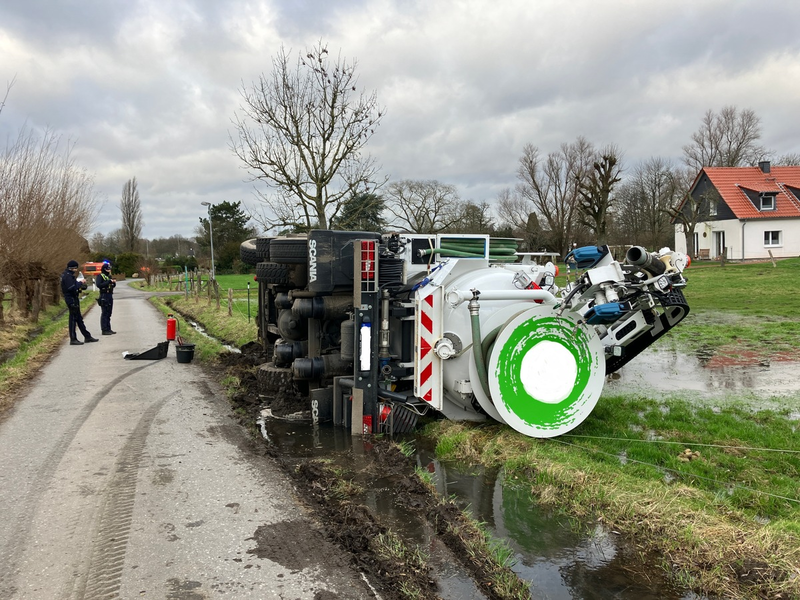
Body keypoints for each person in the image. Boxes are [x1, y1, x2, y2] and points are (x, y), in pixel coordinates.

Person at [61, 260, 99, 345]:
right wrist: (80, 283)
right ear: (73, 268)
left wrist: (78, 283)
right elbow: (71, 287)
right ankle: (73, 339)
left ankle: (87, 336)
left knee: (78, 318)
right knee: (73, 319)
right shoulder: (68, 276)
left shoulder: (68, 275)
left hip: (74, 298)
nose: (76, 269)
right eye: (75, 268)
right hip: (71, 299)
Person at [95, 261, 117, 334]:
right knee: (105, 312)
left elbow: (112, 286)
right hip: (104, 295)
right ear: (104, 269)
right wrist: (108, 282)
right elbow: (98, 285)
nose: (109, 270)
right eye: (108, 269)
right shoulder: (100, 276)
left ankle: (108, 328)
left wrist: (113, 283)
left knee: (109, 313)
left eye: (109, 269)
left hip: (109, 294)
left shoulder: (109, 276)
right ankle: (104, 329)